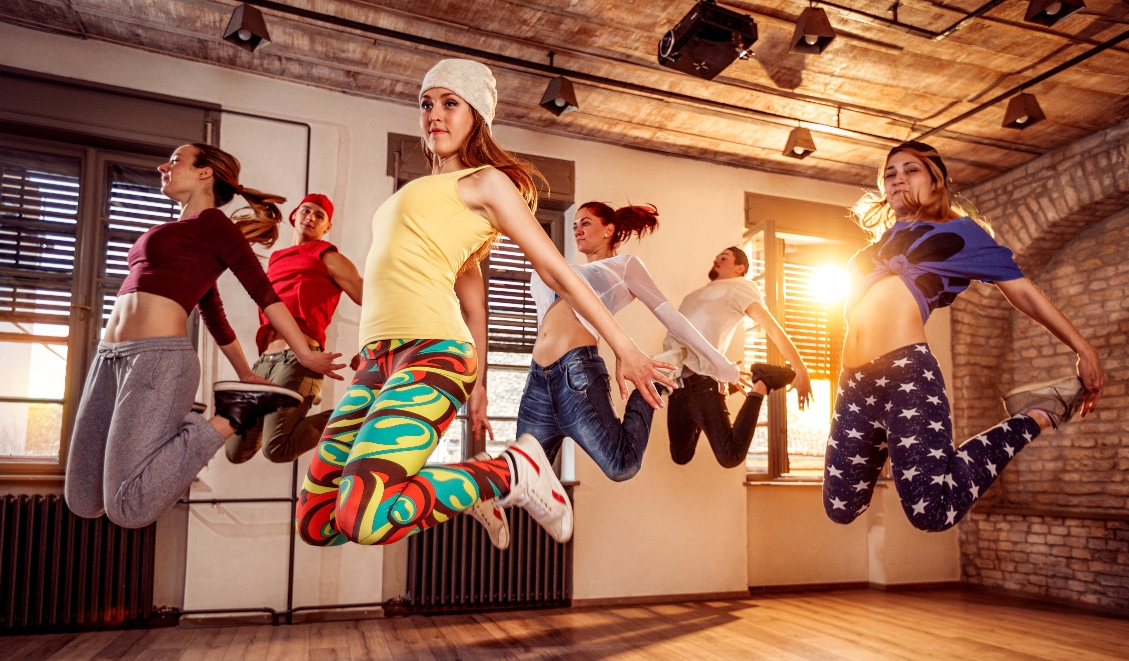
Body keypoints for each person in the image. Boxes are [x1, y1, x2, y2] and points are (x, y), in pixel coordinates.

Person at [295, 59, 673, 550]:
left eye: (451, 103)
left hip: (433, 353)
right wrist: (480, 391)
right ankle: (477, 487)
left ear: (476, 115)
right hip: (376, 361)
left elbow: (557, 270)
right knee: (319, 521)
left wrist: (625, 348)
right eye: (427, 104)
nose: (435, 115)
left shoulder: (486, 183)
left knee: (366, 519)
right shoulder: (420, 192)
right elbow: (474, 304)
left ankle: (515, 468)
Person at [823, 141, 1105, 532]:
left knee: (931, 512)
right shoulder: (878, 245)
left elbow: (1022, 292)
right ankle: (902, 442)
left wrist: (1083, 348)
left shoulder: (960, 233)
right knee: (841, 506)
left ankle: (1038, 414)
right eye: (890, 173)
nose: (898, 179)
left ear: (936, 181)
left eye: (911, 170)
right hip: (854, 383)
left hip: (906, 375)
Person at [65, 143, 345, 529]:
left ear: (204, 173)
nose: (164, 166)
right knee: (82, 498)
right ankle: (234, 401)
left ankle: (234, 413)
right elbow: (213, 314)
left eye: (176, 160)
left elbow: (263, 292)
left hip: (157, 360)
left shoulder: (214, 225)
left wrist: (306, 354)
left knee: (128, 509)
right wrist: (246, 372)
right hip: (109, 359)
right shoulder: (175, 232)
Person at [465, 202, 742, 549]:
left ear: (609, 230)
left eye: (586, 223)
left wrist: (722, 366)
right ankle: (483, 485)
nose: (578, 229)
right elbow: (543, 324)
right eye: (575, 224)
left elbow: (672, 317)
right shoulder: (558, 269)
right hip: (538, 380)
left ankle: (649, 388)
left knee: (621, 465)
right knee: (527, 473)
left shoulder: (624, 267)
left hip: (576, 376)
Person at [224, 193, 363, 465]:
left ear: (328, 227)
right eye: (306, 211)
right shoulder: (275, 258)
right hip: (265, 362)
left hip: (299, 357)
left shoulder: (328, 256)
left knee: (277, 449)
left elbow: (370, 299)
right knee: (235, 451)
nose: (310, 217)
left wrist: (370, 349)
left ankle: (359, 412)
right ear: (294, 215)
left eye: (319, 215)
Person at [665, 246, 812, 469]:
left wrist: (800, 368)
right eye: (716, 257)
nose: (716, 260)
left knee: (730, 456)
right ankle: (737, 381)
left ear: (739, 268)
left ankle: (760, 383)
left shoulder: (741, 288)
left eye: (724, 258)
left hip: (703, 382)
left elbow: (772, 328)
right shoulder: (691, 296)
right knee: (680, 455)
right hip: (677, 384)